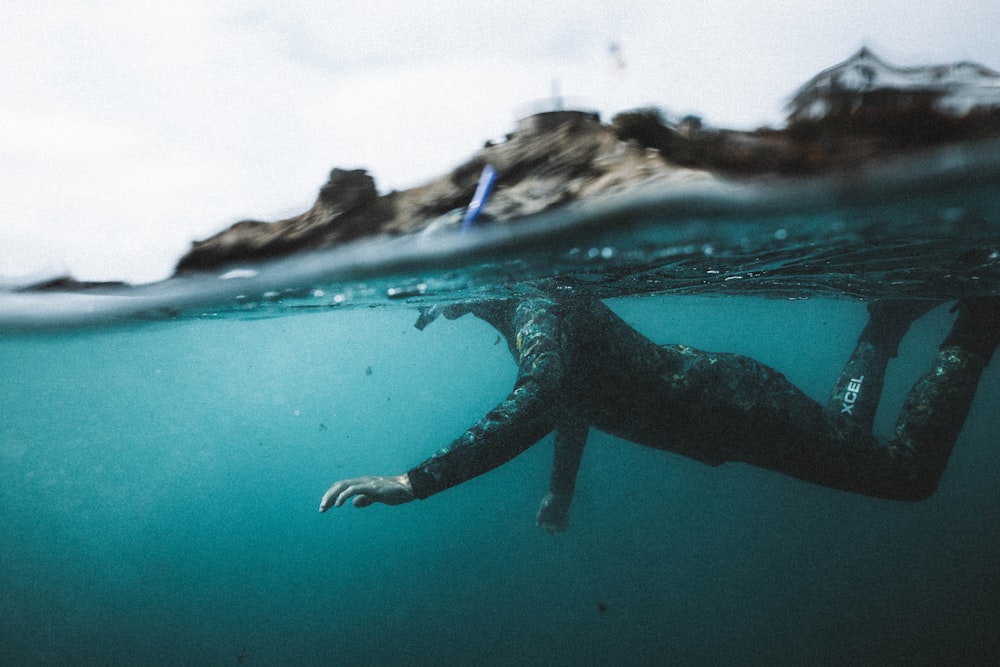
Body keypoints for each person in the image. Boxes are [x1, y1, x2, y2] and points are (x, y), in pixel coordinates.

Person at [320, 285, 1000, 532]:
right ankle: (883, 325)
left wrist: (416, 480)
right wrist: (561, 489)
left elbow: (543, 396)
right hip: (729, 409)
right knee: (851, 438)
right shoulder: (515, 307)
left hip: (736, 409)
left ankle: (978, 321)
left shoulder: (534, 300)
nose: (427, 299)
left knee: (907, 473)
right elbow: (573, 391)